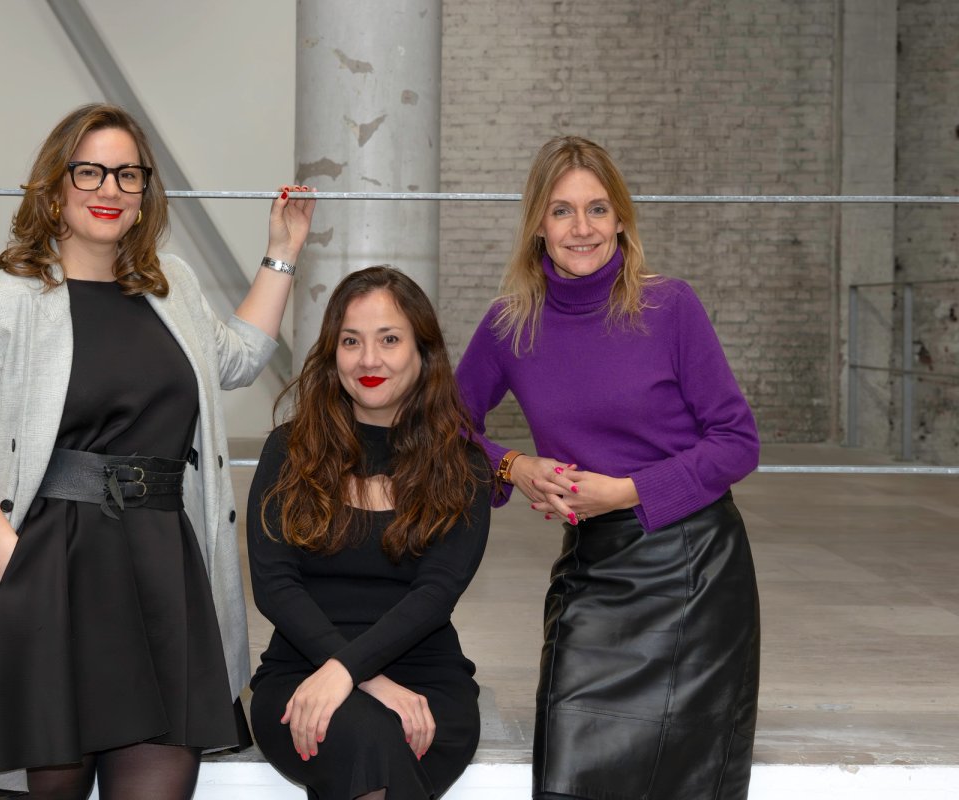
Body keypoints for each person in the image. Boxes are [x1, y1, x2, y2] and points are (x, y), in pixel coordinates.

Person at [0, 103, 315, 800]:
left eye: (127, 174)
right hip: (45, 567)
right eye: (89, 170)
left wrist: (283, 251)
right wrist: (11, 555)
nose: (109, 188)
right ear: (55, 185)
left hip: (159, 572)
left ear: (146, 190)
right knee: (42, 780)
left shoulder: (171, 287)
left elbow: (234, 361)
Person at [455, 136, 761, 800]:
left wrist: (627, 490)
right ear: (538, 222)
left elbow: (737, 441)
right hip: (596, 571)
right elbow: (442, 428)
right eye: (562, 211)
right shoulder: (512, 324)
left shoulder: (670, 307)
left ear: (621, 217)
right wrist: (511, 466)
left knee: (686, 781)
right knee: (571, 771)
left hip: (696, 570)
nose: (582, 228)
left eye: (598, 209)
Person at [247, 266, 491, 800]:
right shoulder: (289, 451)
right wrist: (354, 675)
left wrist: (349, 672)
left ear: (423, 353)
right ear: (333, 354)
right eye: (351, 341)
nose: (369, 360)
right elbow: (275, 586)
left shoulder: (462, 465)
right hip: (303, 673)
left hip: (425, 680)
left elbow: (435, 594)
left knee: (378, 741)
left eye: (390, 339)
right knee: (369, 734)